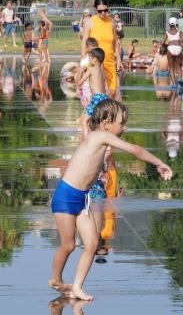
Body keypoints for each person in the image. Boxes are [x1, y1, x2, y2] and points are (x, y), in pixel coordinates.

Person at [50, 98, 172, 300]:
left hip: (81, 198)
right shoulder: (100, 136)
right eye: (121, 123)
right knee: (69, 245)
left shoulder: (101, 140)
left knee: (92, 243)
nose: (125, 126)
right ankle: (55, 279)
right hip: (65, 196)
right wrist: (159, 163)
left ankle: (77, 287)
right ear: (106, 123)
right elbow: (136, 150)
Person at [79, 0, 121, 97]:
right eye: (100, 11)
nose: (103, 13)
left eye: (105, 10)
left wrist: (119, 60)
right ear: (95, 9)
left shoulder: (111, 23)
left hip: (110, 62)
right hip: (96, 63)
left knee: (112, 92)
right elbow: (84, 42)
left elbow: (115, 43)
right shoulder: (89, 22)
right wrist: (83, 60)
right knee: (99, 94)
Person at [163, 17, 183, 86]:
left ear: (169, 24)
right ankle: (180, 80)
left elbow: (162, 42)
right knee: (179, 66)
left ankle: (174, 84)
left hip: (170, 49)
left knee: (171, 67)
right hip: (178, 48)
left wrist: (167, 45)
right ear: (176, 24)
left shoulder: (167, 32)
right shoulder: (179, 32)